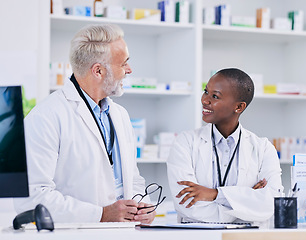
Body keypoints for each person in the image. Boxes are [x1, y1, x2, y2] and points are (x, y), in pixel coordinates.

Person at [14, 24, 155, 224]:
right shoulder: (46, 117)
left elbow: (132, 180)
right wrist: (101, 214)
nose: (129, 70)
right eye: (124, 64)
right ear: (98, 71)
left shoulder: (120, 115)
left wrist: (143, 206)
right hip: (75, 234)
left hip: (123, 232)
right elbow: (31, 198)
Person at [167, 68, 284, 224]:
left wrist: (214, 194)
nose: (204, 100)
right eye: (205, 91)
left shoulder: (263, 148)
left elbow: (270, 205)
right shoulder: (185, 142)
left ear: (239, 107)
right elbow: (188, 206)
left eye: (215, 96)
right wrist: (245, 201)